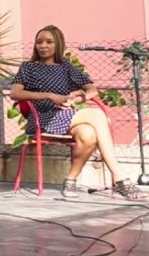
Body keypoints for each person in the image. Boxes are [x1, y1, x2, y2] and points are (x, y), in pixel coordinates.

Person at [10, 25, 146, 200]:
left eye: (49, 42)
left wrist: (76, 100)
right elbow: (15, 93)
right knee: (97, 115)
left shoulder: (66, 67)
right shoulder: (29, 67)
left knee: (88, 134)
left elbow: (92, 90)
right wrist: (49, 96)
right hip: (42, 118)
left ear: (58, 44)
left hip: (66, 117)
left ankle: (70, 180)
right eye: (39, 42)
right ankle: (120, 178)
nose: (43, 46)